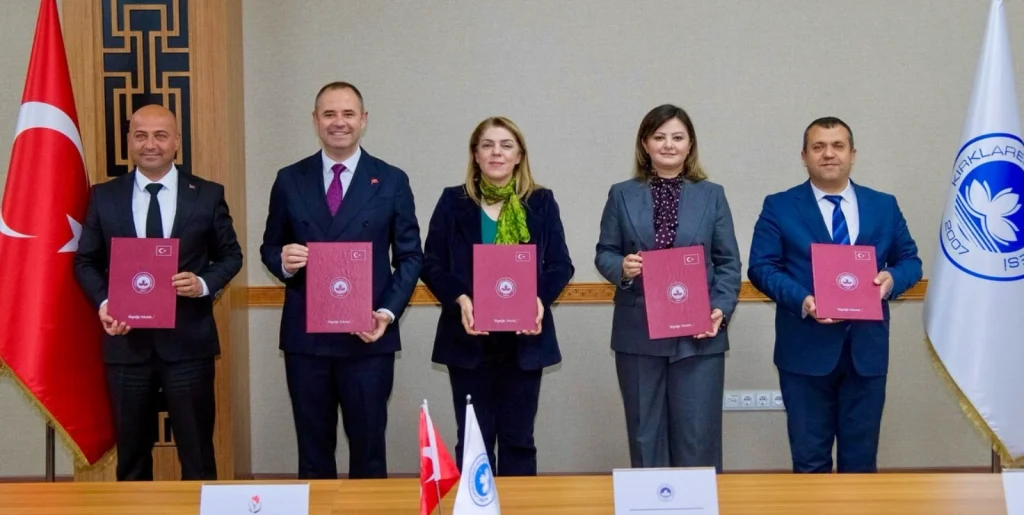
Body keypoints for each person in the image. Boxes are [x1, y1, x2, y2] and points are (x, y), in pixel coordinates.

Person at [259, 81, 422, 479]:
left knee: (369, 449)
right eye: (329, 114)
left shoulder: (390, 179)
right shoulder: (289, 179)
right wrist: (283, 260)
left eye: (348, 114)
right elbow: (269, 247)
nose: (339, 122)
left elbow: (411, 255)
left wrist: (386, 313)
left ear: (363, 121)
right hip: (306, 339)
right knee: (313, 452)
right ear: (315, 121)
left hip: (368, 336)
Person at [73, 104, 243, 481]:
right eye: (141, 135)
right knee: (132, 457)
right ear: (130, 141)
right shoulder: (104, 196)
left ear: (177, 142)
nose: (151, 144)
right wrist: (105, 303)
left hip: (188, 345)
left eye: (161, 135)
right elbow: (85, 261)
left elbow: (231, 256)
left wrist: (202, 284)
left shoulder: (207, 195)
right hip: (126, 345)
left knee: (197, 454)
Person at [747, 116, 922, 473]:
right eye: (818, 147)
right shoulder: (779, 206)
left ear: (853, 154)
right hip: (804, 351)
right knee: (810, 461)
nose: (829, 154)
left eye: (838, 146)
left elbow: (911, 261)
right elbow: (761, 268)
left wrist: (892, 278)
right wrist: (804, 301)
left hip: (866, 352)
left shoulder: (883, 205)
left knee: (861, 461)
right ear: (804, 156)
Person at [420, 116, 573, 476]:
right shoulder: (452, 201)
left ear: (519, 155)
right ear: (475, 153)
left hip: (524, 342)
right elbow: (432, 263)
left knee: (519, 439)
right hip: (469, 340)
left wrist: (538, 298)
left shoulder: (541, 201)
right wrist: (459, 298)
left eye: (506, 145)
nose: (496, 153)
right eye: (487, 145)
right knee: (474, 440)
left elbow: (560, 265)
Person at [594, 104, 741, 472]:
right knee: (646, 436)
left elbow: (728, 262)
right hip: (638, 332)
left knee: (698, 437)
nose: (668, 145)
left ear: (690, 145)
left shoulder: (712, 195)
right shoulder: (621, 194)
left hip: (698, 332)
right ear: (645, 144)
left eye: (677, 137)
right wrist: (623, 268)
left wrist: (720, 310)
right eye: (659, 137)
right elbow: (605, 253)